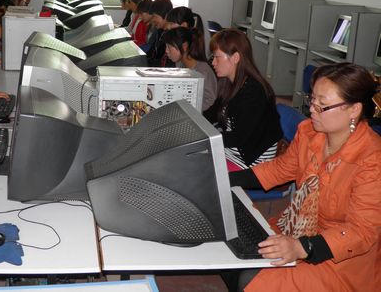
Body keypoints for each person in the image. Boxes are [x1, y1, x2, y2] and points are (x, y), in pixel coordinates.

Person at [228, 62, 381, 292]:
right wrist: (225, 179)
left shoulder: (373, 160)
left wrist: (302, 247)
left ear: (353, 110)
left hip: (341, 259)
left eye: (322, 105)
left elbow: (360, 232)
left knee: (251, 278)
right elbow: (280, 169)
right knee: (235, 251)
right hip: (299, 229)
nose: (312, 109)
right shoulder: (310, 132)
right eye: (312, 100)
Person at [204, 28, 282, 170]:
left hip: (250, 159)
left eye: (217, 57)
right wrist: (193, 123)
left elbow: (239, 137)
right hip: (232, 151)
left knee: (196, 171)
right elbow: (212, 113)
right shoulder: (228, 83)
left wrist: (204, 138)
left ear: (235, 58)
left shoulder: (254, 92)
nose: (213, 62)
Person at [162, 27, 217, 111]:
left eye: (169, 47)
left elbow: (210, 101)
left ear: (184, 46)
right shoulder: (180, 64)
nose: (166, 51)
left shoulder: (203, 71)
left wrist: (189, 109)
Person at [146, 0, 173, 67]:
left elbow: (166, 62)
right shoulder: (160, 31)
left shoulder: (172, 36)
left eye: (155, 16)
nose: (152, 20)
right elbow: (151, 53)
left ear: (166, 15)